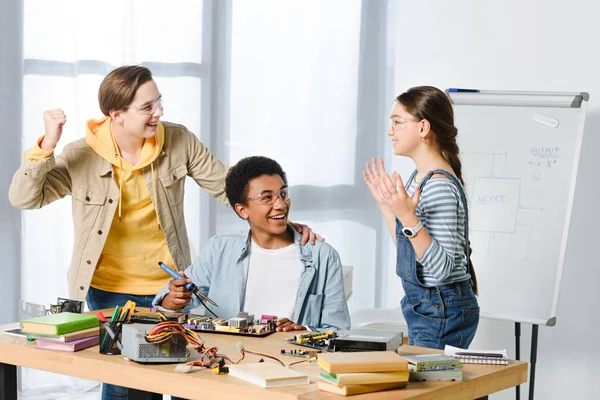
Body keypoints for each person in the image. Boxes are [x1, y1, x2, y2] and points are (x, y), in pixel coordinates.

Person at [8, 65, 320, 399]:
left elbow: (230, 189)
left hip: (171, 290)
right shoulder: (80, 154)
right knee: (125, 385)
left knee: (183, 376)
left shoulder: (179, 140)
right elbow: (25, 197)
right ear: (117, 114)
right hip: (110, 294)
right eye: (147, 107)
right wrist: (46, 145)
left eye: (159, 102)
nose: (159, 112)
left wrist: (278, 218)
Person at [154, 156, 351, 332]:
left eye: (283, 194)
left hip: (291, 365)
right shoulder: (220, 249)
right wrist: (174, 299)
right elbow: (168, 303)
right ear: (242, 210)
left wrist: (304, 330)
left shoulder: (322, 256)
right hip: (227, 361)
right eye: (267, 198)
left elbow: (338, 330)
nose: (281, 205)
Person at [363, 86, 479, 350]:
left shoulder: (438, 185)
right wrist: (387, 206)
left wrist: (407, 216)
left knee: (429, 390)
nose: (390, 131)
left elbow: (442, 270)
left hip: (441, 308)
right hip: (427, 305)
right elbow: (412, 253)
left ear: (423, 128)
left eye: (397, 122)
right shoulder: (419, 179)